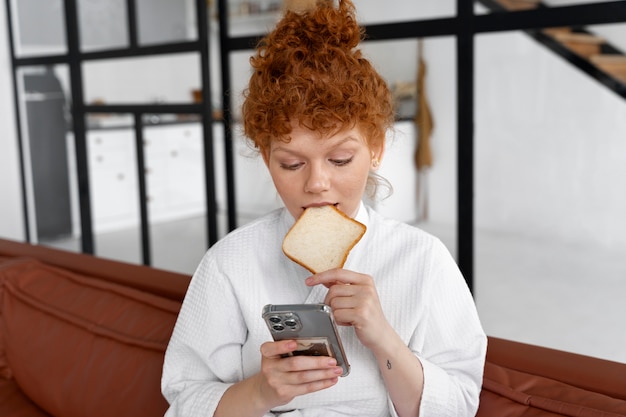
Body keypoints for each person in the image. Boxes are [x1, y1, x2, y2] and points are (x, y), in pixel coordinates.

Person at [161, 1, 486, 416]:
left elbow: (458, 405)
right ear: (265, 158)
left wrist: (383, 337)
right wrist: (261, 393)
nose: (316, 183)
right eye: (291, 163)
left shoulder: (424, 260)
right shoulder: (229, 263)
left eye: (339, 160)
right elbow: (184, 400)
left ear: (376, 149)